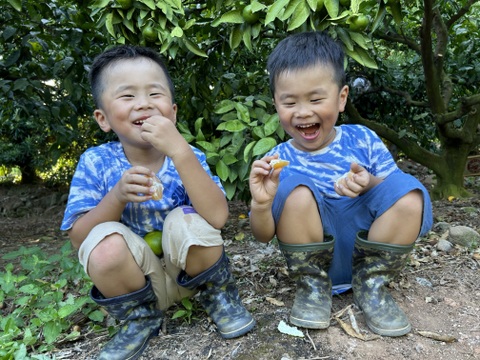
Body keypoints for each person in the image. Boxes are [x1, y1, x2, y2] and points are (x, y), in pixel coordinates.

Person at [60, 45, 255, 360]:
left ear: (173, 112)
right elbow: (80, 239)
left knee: (186, 218)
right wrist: (117, 196)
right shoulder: (96, 162)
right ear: (103, 118)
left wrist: (180, 152)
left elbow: (218, 217)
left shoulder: (189, 155)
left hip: (193, 276)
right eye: (127, 96)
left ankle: (219, 295)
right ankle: (139, 317)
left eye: (154, 94)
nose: (144, 104)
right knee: (105, 244)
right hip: (139, 284)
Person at [248, 31, 433, 337]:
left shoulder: (362, 139)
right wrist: (261, 203)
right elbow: (262, 235)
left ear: (342, 97)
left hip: (371, 250)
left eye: (316, 99)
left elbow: (397, 197)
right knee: (292, 187)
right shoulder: (275, 161)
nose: (303, 111)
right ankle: (312, 287)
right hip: (313, 262)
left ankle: (371, 287)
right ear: (276, 105)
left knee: (410, 189)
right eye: (290, 102)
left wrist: (368, 183)